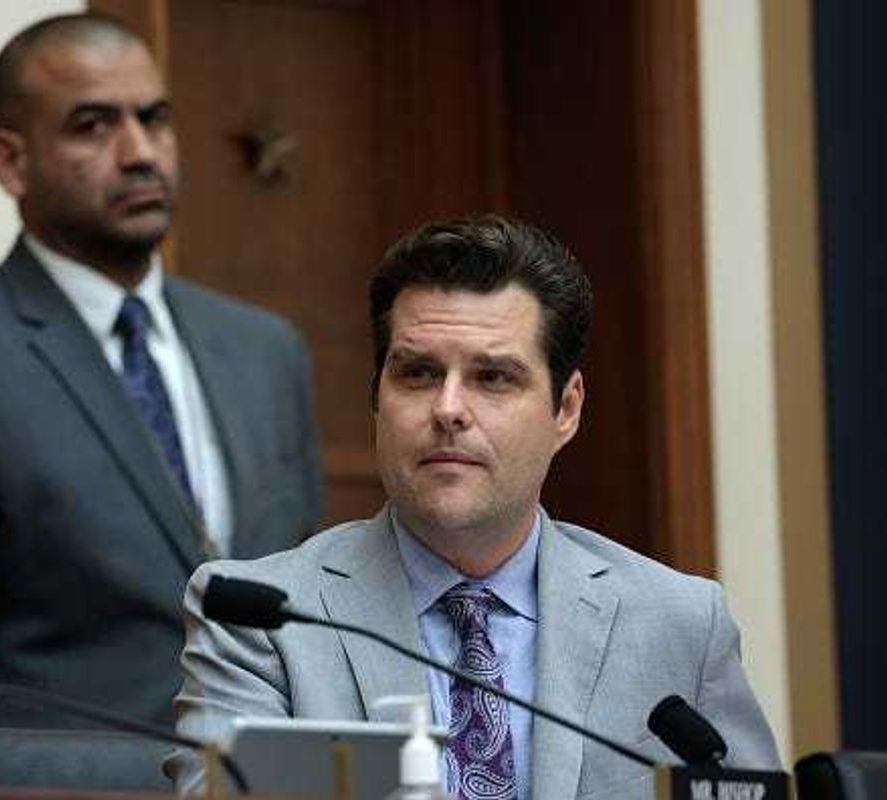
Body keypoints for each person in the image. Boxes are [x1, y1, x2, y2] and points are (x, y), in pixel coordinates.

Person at [0, 11, 322, 778]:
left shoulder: (266, 352)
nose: (139, 152)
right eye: (93, 126)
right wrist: (200, 779)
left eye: (155, 120)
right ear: (9, 162)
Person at [169, 216, 779, 798]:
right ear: (376, 398)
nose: (448, 409)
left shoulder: (679, 623)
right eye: (418, 373)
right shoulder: (260, 623)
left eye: (493, 378)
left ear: (566, 409)